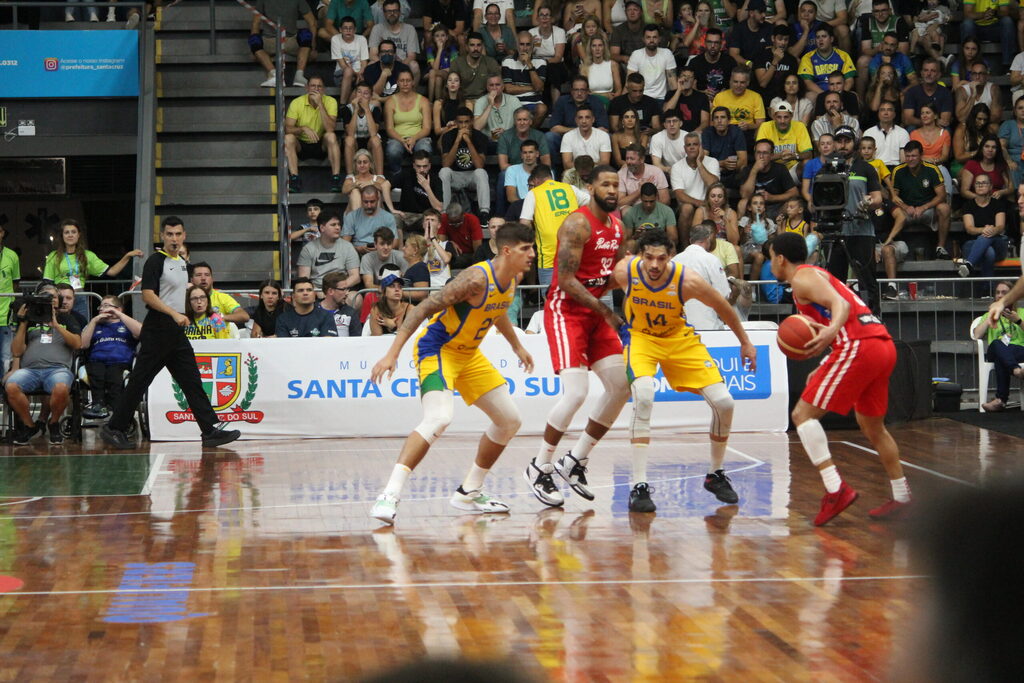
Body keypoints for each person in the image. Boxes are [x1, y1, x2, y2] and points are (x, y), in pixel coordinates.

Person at [368, 223, 536, 524]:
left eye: (533, 248)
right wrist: (392, 354)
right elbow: (421, 310)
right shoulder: (473, 279)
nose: (532, 255)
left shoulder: (513, 278)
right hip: (437, 349)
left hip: (469, 355)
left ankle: (469, 491)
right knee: (439, 418)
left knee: (510, 420)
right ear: (507, 250)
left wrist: (517, 346)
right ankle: (388, 495)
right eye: (526, 249)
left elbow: (496, 312)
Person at [770, 231, 912, 525]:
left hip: (858, 345)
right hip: (880, 345)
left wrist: (833, 332)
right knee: (873, 427)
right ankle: (903, 496)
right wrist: (827, 358)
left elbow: (842, 307)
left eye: (771, 257)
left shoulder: (802, 278)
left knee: (802, 415)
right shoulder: (815, 275)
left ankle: (836, 489)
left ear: (779, 258)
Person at [612, 228, 757, 512]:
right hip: (641, 338)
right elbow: (595, 288)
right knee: (643, 396)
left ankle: (715, 474)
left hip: (679, 339)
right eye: (649, 258)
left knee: (725, 402)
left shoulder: (687, 280)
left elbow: (724, 309)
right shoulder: (625, 270)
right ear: (640, 256)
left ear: (671, 257)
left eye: (661, 259)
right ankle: (639, 485)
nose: (654, 265)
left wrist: (745, 342)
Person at [524, 165, 629, 508]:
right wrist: (607, 312)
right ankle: (540, 465)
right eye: (605, 184)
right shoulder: (577, 223)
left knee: (621, 386)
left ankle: (576, 459)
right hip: (566, 311)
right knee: (576, 393)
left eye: (616, 184)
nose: (612, 189)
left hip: (595, 311)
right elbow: (567, 280)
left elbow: (609, 276)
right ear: (590, 187)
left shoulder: (617, 225)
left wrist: (631, 276)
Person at [101, 217, 241, 450]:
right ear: (162, 236)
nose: (174, 239)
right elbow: (148, 295)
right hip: (159, 326)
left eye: (178, 234)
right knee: (140, 380)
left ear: (184, 236)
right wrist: (174, 314)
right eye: (169, 234)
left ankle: (209, 430)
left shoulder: (182, 263)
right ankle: (114, 427)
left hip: (174, 329)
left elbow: (176, 291)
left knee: (191, 379)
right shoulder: (156, 261)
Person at [4, 282, 81, 445]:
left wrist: (56, 325)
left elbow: (77, 344)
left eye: (52, 296)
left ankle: (53, 423)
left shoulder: (66, 318)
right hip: (30, 370)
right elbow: (17, 351)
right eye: (44, 296)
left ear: (58, 300)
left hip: (57, 370)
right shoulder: (30, 320)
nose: (49, 299)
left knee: (61, 388)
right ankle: (29, 425)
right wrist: (23, 323)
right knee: (11, 386)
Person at [819, 125, 884, 315]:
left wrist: (868, 203)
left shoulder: (865, 168)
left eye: (847, 140)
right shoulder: (825, 168)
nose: (842, 145)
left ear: (854, 143)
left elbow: (878, 198)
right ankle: (838, 324)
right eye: (839, 141)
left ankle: (874, 320)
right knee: (835, 282)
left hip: (861, 229)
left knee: (867, 279)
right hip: (835, 230)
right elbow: (816, 198)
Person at [43, 218, 142, 320]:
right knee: (60, 326)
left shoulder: (88, 256)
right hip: (61, 298)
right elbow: (47, 282)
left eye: (73, 232)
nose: (70, 235)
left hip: (80, 297)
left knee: (82, 328)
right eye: (66, 232)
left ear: (79, 235)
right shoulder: (54, 256)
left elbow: (112, 272)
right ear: (62, 236)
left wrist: (128, 256)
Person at [520, 164, 592, 287]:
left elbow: (524, 222)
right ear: (551, 176)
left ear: (535, 180)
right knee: (577, 296)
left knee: (550, 298)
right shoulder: (570, 188)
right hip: (575, 252)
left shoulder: (534, 193)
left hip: (549, 256)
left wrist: (528, 244)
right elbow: (593, 203)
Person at [80, 294, 139, 420]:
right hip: (97, 360)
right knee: (97, 373)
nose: (102, 309)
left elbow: (141, 332)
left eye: (106, 306)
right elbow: (83, 344)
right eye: (100, 306)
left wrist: (120, 315)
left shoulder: (126, 324)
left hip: (120, 361)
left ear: (119, 308)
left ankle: (118, 410)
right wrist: (94, 320)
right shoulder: (95, 325)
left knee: (114, 376)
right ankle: (98, 405)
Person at [891, 139, 952, 259]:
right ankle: (892, 248)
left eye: (914, 156)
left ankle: (940, 248)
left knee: (944, 208)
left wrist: (924, 207)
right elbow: (893, 197)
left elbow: (942, 195)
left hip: (927, 209)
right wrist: (905, 207)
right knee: (890, 211)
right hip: (906, 211)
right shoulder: (898, 171)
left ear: (921, 155)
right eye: (907, 156)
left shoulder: (931, 169)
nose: (910, 159)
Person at [971, 280, 1024, 412]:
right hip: (995, 350)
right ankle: (1017, 371)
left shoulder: (1021, 312)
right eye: (997, 293)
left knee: (1002, 358)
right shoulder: (987, 315)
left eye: (1004, 293)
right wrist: (990, 317)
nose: (1000, 296)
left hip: (1018, 350)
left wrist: (1018, 321)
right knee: (996, 343)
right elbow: (976, 335)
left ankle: (1001, 400)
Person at [284, 76, 342, 194]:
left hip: (321, 143)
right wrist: (302, 129)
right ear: (307, 88)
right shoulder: (297, 103)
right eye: (313, 86)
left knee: (331, 136)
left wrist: (320, 104)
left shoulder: (330, 101)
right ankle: (294, 179)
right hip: (301, 144)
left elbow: (330, 128)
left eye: (319, 86)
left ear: (324, 90)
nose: (316, 89)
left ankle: (335, 178)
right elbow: (287, 128)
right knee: (288, 138)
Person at [672, 221, 733, 328]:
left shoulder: (673, 261)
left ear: (690, 240)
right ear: (708, 239)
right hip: (707, 323)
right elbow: (723, 293)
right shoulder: (711, 260)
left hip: (679, 325)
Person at [546, 77, 611, 170]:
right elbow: (554, 128)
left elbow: (604, 129)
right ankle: (556, 171)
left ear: (588, 91)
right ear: (571, 91)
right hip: (565, 137)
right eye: (576, 90)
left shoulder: (596, 102)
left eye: (582, 90)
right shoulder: (562, 101)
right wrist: (578, 130)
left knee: (607, 136)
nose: (579, 93)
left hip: (592, 137)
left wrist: (586, 131)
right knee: (550, 137)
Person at [250, 0, 316, 88]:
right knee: (305, 35)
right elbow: (312, 23)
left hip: (269, 43)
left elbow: (256, 23)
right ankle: (299, 74)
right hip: (290, 42)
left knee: (254, 39)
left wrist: (254, 51)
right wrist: (313, 48)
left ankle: (273, 74)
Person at [671, 132, 721, 246]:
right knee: (687, 208)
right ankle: (685, 247)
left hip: (710, 204)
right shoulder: (677, 167)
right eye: (689, 145)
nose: (692, 147)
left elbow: (713, 185)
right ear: (685, 148)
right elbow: (679, 194)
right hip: (688, 205)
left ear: (701, 146)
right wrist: (698, 203)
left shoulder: (712, 162)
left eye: (695, 144)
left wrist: (699, 162)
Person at [440, 107, 492, 215]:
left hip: (471, 176)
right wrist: (457, 141)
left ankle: (484, 213)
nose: (464, 125)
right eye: (460, 122)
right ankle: (445, 212)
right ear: (455, 123)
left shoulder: (480, 137)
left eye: (467, 122)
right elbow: (446, 164)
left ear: (472, 121)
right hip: (455, 176)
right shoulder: (448, 136)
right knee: (444, 172)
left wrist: (468, 142)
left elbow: (479, 165)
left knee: (481, 173)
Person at [958, 175, 1009, 281]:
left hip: (997, 243)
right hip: (972, 244)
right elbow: (969, 228)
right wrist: (984, 230)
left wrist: (993, 230)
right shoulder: (968, 205)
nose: (980, 185)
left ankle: (968, 264)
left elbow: (1000, 226)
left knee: (988, 238)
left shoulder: (998, 204)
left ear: (990, 186)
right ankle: (987, 292)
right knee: (989, 252)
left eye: (984, 183)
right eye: (977, 183)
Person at [383, 70, 432, 177]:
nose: (405, 83)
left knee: (425, 148)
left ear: (413, 82)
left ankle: (422, 177)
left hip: (419, 137)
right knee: (393, 151)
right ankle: (397, 176)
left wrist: (414, 138)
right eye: (402, 80)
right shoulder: (390, 101)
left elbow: (427, 128)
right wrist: (402, 140)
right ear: (398, 82)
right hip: (397, 137)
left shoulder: (423, 101)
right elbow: (390, 129)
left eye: (408, 80)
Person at [856, 2, 911, 95]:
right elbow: (865, 50)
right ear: (872, 12)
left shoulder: (899, 21)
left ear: (890, 11)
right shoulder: (868, 22)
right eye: (876, 11)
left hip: (895, 56)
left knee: (899, 59)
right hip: (876, 56)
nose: (880, 14)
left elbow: (903, 51)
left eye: (883, 10)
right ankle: (860, 100)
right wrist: (878, 49)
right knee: (862, 61)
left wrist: (888, 49)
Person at [298, 212, 361, 291]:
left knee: (356, 298)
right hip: (317, 291)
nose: (338, 227)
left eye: (339, 224)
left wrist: (338, 289)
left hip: (341, 290)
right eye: (333, 225)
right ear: (322, 228)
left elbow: (355, 277)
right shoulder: (308, 249)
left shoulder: (348, 247)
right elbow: (304, 280)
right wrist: (317, 291)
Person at [738, 137, 798, 219]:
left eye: (765, 153)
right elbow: (744, 195)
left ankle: (781, 230)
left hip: (775, 206)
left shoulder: (780, 169)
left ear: (771, 155)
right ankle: (741, 230)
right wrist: (754, 170)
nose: (761, 156)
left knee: (790, 204)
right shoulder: (748, 169)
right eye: (758, 153)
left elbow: (794, 193)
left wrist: (772, 198)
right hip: (755, 207)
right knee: (742, 203)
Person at [694, 182, 742, 277]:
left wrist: (725, 219)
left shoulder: (731, 213)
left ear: (724, 199)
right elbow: (695, 237)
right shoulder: (701, 211)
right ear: (708, 198)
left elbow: (735, 241)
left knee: (737, 249)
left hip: (724, 246)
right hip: (706, 245)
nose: (716, 199)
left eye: (720, 196)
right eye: (713, 196)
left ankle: (740, 283)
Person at [796, 25, 855, 101]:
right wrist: (824, 95)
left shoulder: (843, 55)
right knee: (809, 96)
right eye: (818, 37)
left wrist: (840, 95)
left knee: (854, 96)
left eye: (824, 36)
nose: (820, 40)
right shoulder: (807, 57)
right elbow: (807, 82)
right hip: (818, 94)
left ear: (831, 39)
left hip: (840, 93)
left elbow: (849, 80)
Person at [755, 100, 812, 177]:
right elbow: (759, 156)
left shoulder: (799, 126)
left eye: (786, 117)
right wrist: (780, 155)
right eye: (779, 117)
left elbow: (808, 154)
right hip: (771, 168)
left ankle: (804, 189)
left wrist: (795, 156)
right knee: (761, 162)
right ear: (774, 117)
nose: (782, 121)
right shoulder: (765, 126)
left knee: (807, 163)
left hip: (793, 169)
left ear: (791, 117)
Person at [502, 31, 549, 126]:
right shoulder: (507, 61)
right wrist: (532, 88)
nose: (525, 48)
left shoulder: (541, 62)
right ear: (517, 45)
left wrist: (529, 65)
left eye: (528, 44)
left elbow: (539, 87)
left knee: (542, 109)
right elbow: (508, 89)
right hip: (513, 102)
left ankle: (529, 135)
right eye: (522, 44)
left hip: (533, 102)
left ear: (532, 46)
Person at [369, 0, 421, 84]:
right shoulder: (377, 28)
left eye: (395, 11)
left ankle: (411, 96)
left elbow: (412, 56)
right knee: (370, 64)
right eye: (389, 11)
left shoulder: (410, 29)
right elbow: (372, 55)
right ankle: (373, 94)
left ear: (400, 12)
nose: (392, 13)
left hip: (402, 64)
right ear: (384, 13)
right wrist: (385, 66)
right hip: (382, 65)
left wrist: (396, 66)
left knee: (414, 65)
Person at [712, 65, 765, 146]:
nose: (738, 85)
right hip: (724, 133)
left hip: (746, 134)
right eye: (735, 82)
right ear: (730, 81)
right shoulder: (720, 97)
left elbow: (761, 123)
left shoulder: (756, 97)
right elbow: (712, 122)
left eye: (742, 82)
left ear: (748, 83)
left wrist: (749, 126)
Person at [394, 150, 444, 235]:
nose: (421, 169)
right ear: (414, 165)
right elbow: (385, 185)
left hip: (424, 216)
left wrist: (427, 188)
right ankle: (400, 247)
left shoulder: (436, 180)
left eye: (425, 166)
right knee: (394, 218)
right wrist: (392, 209)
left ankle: (430, 246)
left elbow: (438, 208)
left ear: (429, 166)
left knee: (434, 220)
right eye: (418, 166)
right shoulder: (406, 175)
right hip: (406, 215)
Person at [342, 84, 385, 179]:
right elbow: (350, 133)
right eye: (359, 92)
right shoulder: (347, 109)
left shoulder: (375, 109)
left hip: (369, 142)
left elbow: (373, 132)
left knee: (376, 139)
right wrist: (356, 110)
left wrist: (366, 109)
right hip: (355, 143)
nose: (361, 96)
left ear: (370, 97)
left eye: (366, 93)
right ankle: (350, 176)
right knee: (349, 139)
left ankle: (380, 176)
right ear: (355, 94)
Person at [627, 24, 676, 105]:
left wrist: (670, 101)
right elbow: (630, 82)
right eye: (648, 37)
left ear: (659, 39)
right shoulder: (636, 54)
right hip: (641, 98)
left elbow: (673, 84)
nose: (651, 40)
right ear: (643, 39)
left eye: (654, 37)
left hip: (661, 99)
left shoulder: (667, 53)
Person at [342, 185, 399, 254]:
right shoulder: (352, 216)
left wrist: (381, 248)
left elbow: (395, 243)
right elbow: (345, 243)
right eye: (366, 202)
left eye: (372, 202)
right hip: (357, 253)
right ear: (361, 199)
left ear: (378, 199)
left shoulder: (388, 217)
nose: (369, 206)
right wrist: (357, 249)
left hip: (381, 252)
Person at [529, 3, 569, 104]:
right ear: (538, 18)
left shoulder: (559, 32)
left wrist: (543, 63)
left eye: (547, 15)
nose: (544, 18)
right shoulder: (532, 32)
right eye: (542, 15)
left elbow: (558, 57)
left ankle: (556, 107)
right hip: (536, 63)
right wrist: (532, 45)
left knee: (553, 70)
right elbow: (528, 55)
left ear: (551, 18)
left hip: (555, 64)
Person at [189, 262, 250, 326]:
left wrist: (221, 317)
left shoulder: (223, 298)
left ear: (212, 279)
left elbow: (244, 316)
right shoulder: (184, 298)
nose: (203, 278)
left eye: (207, 275)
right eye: (198, 275)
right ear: (192, 280)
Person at [961, 0, 1017, 69]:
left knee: (1007, 21)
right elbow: (967, 13)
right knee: (967, 24)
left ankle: (1008, 65)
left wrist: (995, 12)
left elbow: (1005, 12)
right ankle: (967, 64)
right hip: (976, 28)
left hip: (994, 28)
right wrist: (983, 15)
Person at [754, 23, 799, 107]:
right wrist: (775, 61)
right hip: (764, 99)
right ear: (773, 38)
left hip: (784, 100)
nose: (783, 43)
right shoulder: (761, 56)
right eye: (780, 39)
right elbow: (763, 83)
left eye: (786, 40)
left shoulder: (791, 60)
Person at [623, 182, 676, 251]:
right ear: (641, 197)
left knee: (672, 244)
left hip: (660, 244)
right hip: (639, 245)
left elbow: (673, 238)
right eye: (645, 201)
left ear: (656, 197)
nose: (648, 204)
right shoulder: (631, 212)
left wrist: (659, 236)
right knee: (630, 244)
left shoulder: (667, 211)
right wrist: (636, 236)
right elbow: (625, 239)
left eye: (651, 201)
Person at [902, 58, 954, 129]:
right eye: (926, 70)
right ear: (922, 73)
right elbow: (908, 120)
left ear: (939, 75)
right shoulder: (911, 92)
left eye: (933, 71)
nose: (929, 74)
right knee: (911, 128)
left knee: (946, 129)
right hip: (918, 127)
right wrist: (931, 122)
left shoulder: (946, 93)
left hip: (937, 128)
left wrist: (928, 122)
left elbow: (945, 121)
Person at [960, 134, 1013, 202]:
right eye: (987, 146)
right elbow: (964, 191)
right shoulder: (972, 164)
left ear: (997, 150)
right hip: (976, 201)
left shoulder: (1001, 164)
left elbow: (1011, 188)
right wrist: (982, 199)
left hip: (997, 201)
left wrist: (1001, 192)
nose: (990, 150)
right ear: (982, 148)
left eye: (994, 147)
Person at [450, 32, 502, 101]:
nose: (475, 48)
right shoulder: (457, 63)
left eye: (478, 45)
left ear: (482, 46)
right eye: (472, 45)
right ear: (466, 47)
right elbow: (451, 88)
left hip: (485, 101)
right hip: (462, 101)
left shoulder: (491, 63)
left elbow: (498, 86)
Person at [617, 143, 670, 210]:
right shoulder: (621, 174)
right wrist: (639, 191)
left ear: (642, 159)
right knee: (625, 210)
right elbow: (620, 203)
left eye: (632, 159)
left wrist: (651, 211)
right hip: (633, 212)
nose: (628, 162)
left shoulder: (656, 172)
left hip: (653, 210)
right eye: (627, 158)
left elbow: (665, 200)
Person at [560, 104, 613, 170]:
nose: (584, 121)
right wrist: (585, 168)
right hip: (575, 171)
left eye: (587, 117)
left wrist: (587, 168)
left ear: (593, 119)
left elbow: (605, 162)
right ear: (576, 120)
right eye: (580, 118)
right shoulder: (568, 136)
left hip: (596, 171)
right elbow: (567, 164)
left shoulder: (603, 135)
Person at [688, 27, 737, 97]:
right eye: (709, 42)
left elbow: (737, 85)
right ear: (705, 43)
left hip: (725, 101)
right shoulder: (695, 62)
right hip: (701, 101)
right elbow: (690, 89)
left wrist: (726, 93)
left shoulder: (730, 62)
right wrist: (702, 93)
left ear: (721, 44)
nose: (712, 46)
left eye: (716, 43)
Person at [473, 74, 522, 144]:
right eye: (491, 85)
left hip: (510, 140)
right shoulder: (480, 102)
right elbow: (477, 127)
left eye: (497, 85)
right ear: (487, 87)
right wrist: (490, 105)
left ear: (503, 87)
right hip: (487, 141)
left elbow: (522, 124)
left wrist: (507, 133)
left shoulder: (514, 100)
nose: (494, 88)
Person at [331, 16, 370, 104]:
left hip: (360, 74)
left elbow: (364, 62)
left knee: (364, 80)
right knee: (348, 71)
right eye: (345, 28)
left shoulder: (361, 39)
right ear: (340, 29)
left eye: (350, 28)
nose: (348, 30)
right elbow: (343, 65)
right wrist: (357, 75)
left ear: (355, 30)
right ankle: (342, 104)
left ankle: (346, 110)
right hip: (341, 74)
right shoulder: (335, 39)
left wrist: (360, 74)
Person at [662, 65, 710, 133]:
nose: (686, 79)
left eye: (690, 77)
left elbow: (705, 122)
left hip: (694, 134)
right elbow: (666, 112)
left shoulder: (702, 97)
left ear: (694, 81)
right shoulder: (671, 94)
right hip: (674, 133)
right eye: (684, 76)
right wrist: (679, 90)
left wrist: (694, 134)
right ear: (678, 78)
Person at [863, 99, 909, 168]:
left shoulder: (902, 132)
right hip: (875, 168)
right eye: (882, 110)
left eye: (889, 110)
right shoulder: (869, 132)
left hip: (895, 168)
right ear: (878, 114)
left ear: (894, 114)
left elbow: (904, 160)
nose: (886, 113)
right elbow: (866, 157)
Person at [0, 223, 21, 372]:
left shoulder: (11, 255)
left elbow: (15, 282)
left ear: (2, 233)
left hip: (5, 316)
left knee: (5, 357)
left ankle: (2, 393)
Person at [439, 202, 484, 269]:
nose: (456, 225)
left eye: (459, 222)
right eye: (452, 223)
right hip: (451, 253)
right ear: (447, 217)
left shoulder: (472, 220)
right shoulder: (443, 218)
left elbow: (477, 249)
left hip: (470, 253)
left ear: (463, 215)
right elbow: (441, 242)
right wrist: (450, 243)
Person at [320, 271, 363, 336]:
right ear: (330, 291)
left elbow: (356, 340)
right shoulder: (313, 311)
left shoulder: (351, 313)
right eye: (343, 289)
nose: (347, 293)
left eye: (347, 289)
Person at [504, 139, 542, 205]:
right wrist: (527, 207)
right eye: (525, 153)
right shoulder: (512, 170)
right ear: (521, 155)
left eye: (531, 152)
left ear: (537, 154)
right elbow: (511, 197)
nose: (528, 156)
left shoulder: (546, 171)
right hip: (520, 206)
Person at [400, 234, 432, 303]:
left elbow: (422, 293)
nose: (403, 248)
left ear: (415, 250)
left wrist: (399, 293)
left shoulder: (420, 267)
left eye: (406, 246)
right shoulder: (414, 267)